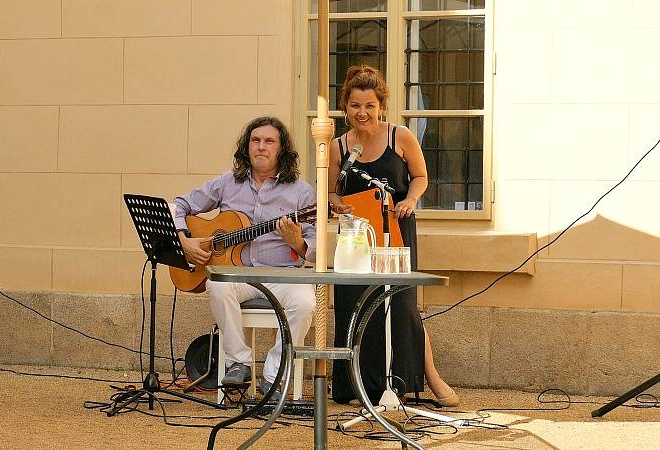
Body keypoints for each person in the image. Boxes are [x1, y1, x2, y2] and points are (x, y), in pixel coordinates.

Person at [328, 65, 459, 406]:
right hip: (357, 236)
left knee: (401, 304)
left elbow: (420, 177)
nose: (362, 112)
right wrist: (337, 204)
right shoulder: (338, 146)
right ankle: (360, 385)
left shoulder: (400, 136)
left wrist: (411, 200)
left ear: (381, 105)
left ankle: (425, 377)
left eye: (369, 105)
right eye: (355, 105)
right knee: (357, 306)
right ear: (346, 107)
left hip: (396, 230)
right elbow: (331, 193)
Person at [174, 116, 316, 399]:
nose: (261, 147)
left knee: (305, 305)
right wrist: (184, 241)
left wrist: (296, 242)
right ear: (247, 146)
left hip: (283, 275)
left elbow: (315, 247)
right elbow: (178, 204)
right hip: (239, 275)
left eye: (269, 141)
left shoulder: (302, 193)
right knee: (217, 283)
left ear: (281, 149)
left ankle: (274, 377)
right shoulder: (227, 183)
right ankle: (238, 361)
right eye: (255, 140)